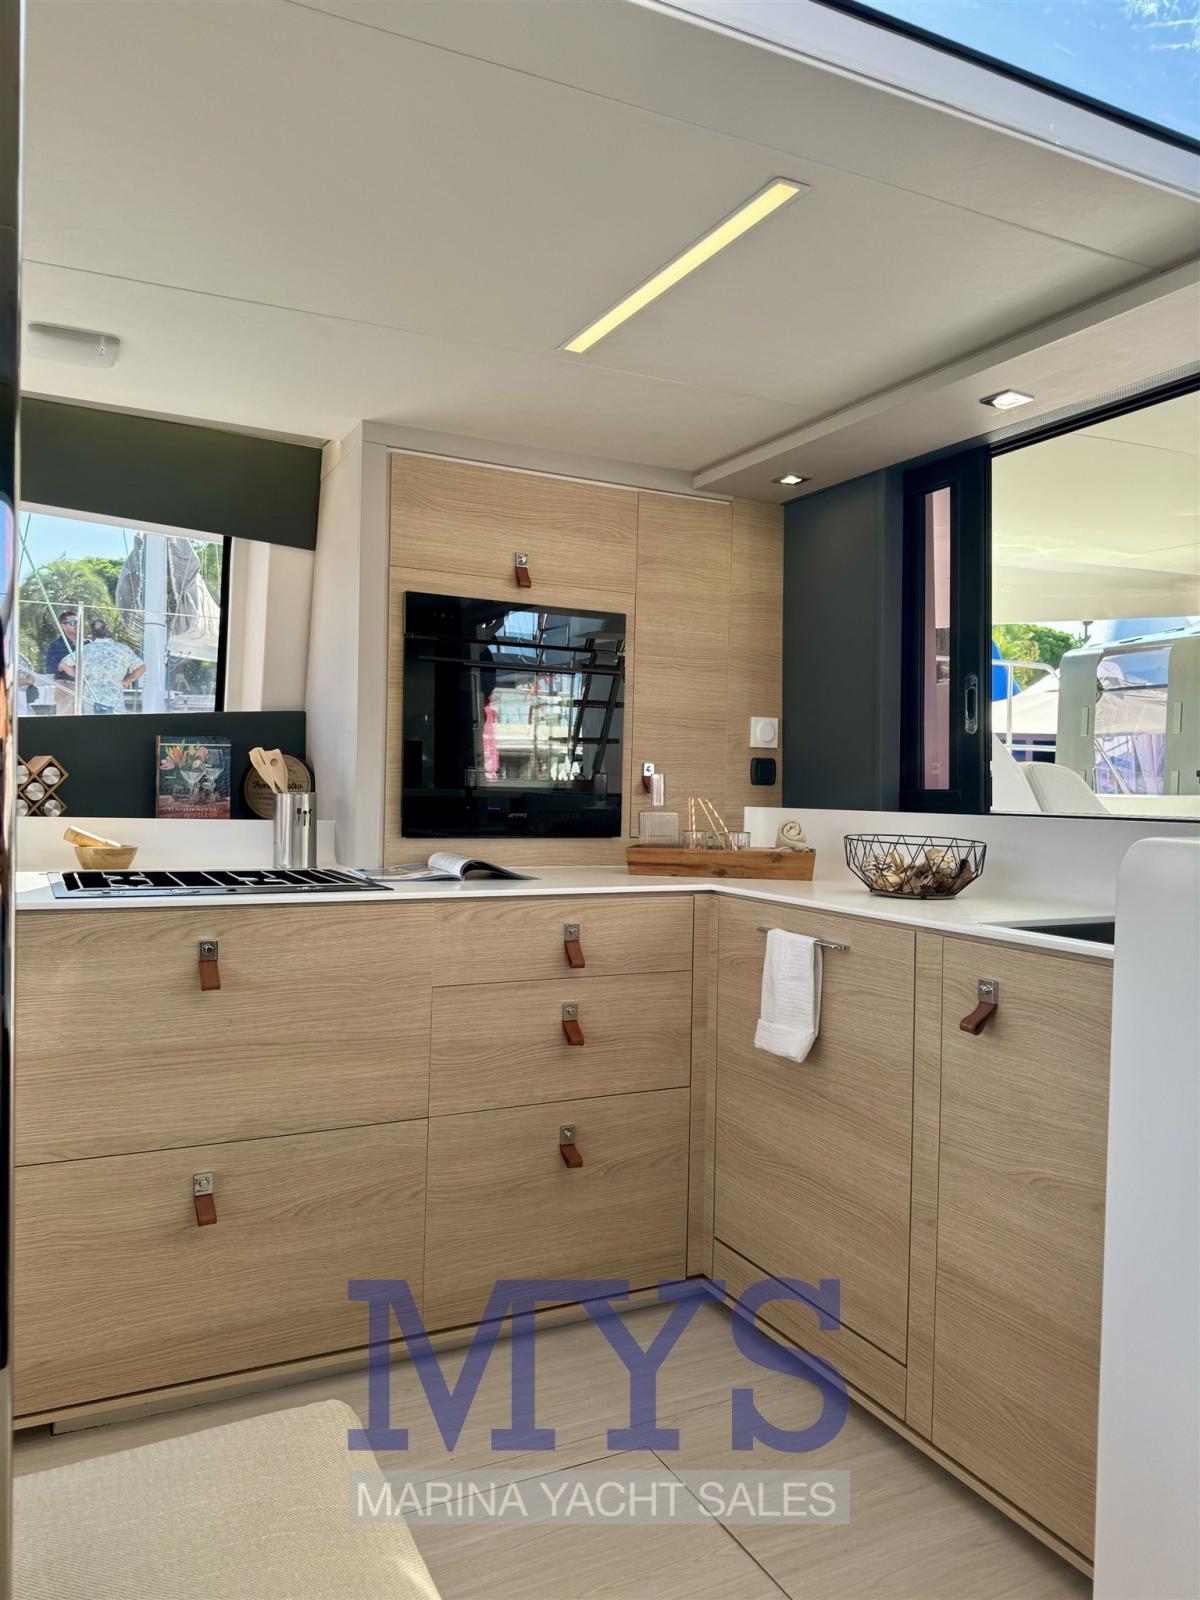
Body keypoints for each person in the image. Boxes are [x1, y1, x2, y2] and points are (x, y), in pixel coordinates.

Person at [68, 617, 145, 714]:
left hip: (91, 699)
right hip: (114, 700)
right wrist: (127, 681)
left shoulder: (86, 650)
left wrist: (80, 677)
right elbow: (141, 667)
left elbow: (64, 664)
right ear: (107, 630)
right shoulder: (123, 649)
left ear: (92, 633)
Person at [44, 608, 78, 682]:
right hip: (64, 684)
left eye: (78, 622)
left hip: (87, 685)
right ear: (63, 626)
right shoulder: (56, 645)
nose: (77, 625)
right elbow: (50, 668)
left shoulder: (88, 644)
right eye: (73, 623)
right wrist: (64, 665)